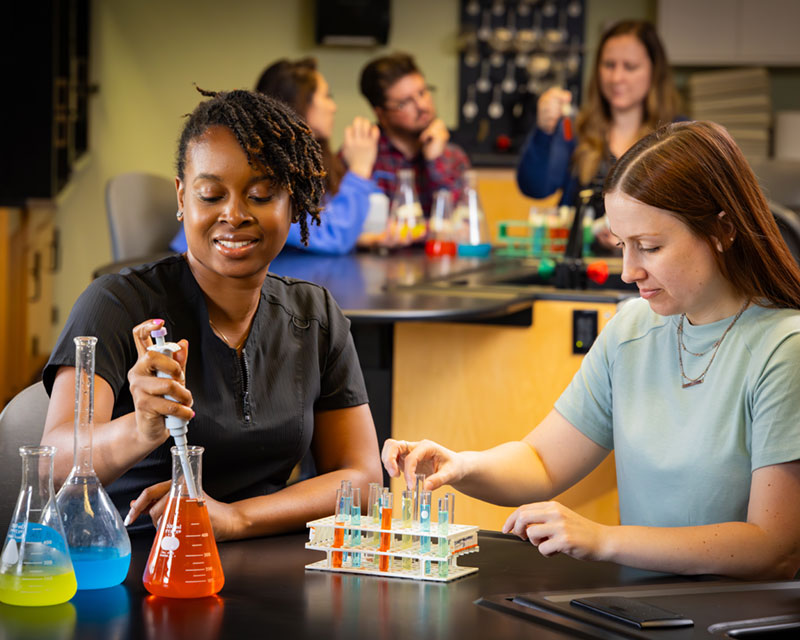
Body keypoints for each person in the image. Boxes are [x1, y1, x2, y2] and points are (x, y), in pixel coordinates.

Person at [383, 121, 800, 580]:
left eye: (650, 247)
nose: (628, 271)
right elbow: (541, 461)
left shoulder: (785, 348)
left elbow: (773, 545)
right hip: (640, 609)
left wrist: (602, 538)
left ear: (722, 230)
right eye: (622, 246)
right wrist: (462, 465)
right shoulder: (632, 328)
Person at [42, 88, 382, 540]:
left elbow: (363, 480)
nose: (234, 214)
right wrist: (141, 429)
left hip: (266, 563)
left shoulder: (314, 315)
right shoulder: (117, 304)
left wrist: (236, 519)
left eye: (261, 194)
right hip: (139, 561)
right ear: (182, 198)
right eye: (210, 194)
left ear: (293, 202)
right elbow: (51, 466)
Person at [170, 58, 380, 256]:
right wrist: (360, 170)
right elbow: (335, 237)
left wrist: (360, 237)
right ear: (298, 104)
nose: (333, 107)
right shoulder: (258, 160)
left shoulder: (305, 162)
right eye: (327, 96)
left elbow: (320, 226)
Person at [516, 20, 681, 250]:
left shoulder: (677, 136)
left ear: (654, 71)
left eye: (630, 67)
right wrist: (544, 130)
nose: (616, 78)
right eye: (609, 65)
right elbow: (535, 187)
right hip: (581, 272)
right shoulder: (574, 130)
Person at [359, 52, 470, 216]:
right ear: (380, 114)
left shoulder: (454, 157)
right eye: (405, 102)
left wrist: (436, 161)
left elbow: (460, 223)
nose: (422, 106)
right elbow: (356, 229)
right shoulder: (362, 157)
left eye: (423, 92)